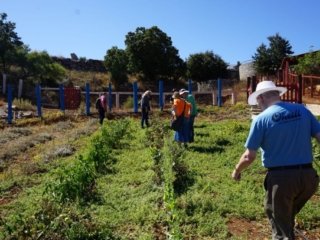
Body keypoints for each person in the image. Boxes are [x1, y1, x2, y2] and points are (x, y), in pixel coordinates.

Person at [231, 80, 320, 240]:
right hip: (309, 179)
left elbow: (248, 156)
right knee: (286, 216)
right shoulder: (302, 110)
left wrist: (237, 170)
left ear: (261, 98)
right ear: (277, 94)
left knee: (281, 229)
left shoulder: (261, 119)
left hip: (282, 181)